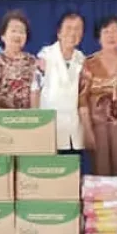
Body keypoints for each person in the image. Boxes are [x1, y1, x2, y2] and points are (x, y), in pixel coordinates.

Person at [78, 15, 117, 176]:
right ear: (98, 37)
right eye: (106, 32)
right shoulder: (89, 63)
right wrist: (86, 130)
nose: (111, 36)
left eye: (115, 31)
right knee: (100, 173)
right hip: (96, 126)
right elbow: (82, 100)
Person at [38, 12, 86, 154]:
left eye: (78, 29)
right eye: (69, 28)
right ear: (59, 32)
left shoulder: (83, 59)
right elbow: (34, 91)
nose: (73, 33)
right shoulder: (44, 56)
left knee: (73, 173)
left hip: (74, 130)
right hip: (50, 127)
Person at [0, 9, 41, 109]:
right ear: (3, 36)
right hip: (1, 120)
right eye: (13, 31)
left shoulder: (32, 62)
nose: (17, 35)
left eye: (22, 32)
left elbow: (36, 93)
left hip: (28, 121)